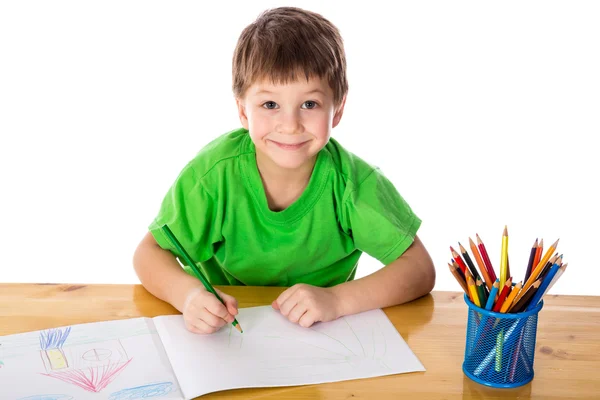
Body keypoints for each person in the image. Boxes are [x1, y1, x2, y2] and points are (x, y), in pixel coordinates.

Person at [133, 6, 435, 334]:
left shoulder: (353, 185)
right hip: (229, 333)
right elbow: (148, 254)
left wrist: (336, 300)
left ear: (338, 109)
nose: (290, 126)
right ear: (243, 111)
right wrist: (188, 296)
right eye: (270, 105)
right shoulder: (213, 175)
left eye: (309, 104)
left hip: (323, 336)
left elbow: (420, 269)